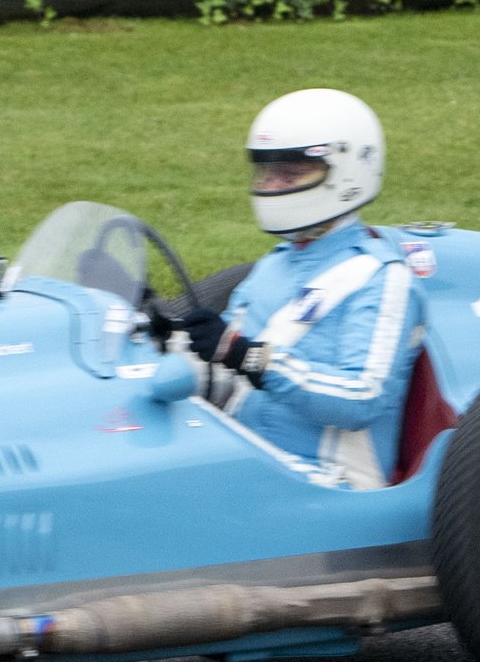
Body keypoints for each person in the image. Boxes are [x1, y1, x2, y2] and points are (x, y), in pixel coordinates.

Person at [181, 88, 423, 490]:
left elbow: (361, 397)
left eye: (291, 174)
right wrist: (172, 341)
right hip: (248, 458)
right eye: (266, 172)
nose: (273, 185)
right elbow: (227, 369)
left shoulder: (383, 277)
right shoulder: (275, 263)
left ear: (345, 172)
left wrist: (249, 356)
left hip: (330, 485)